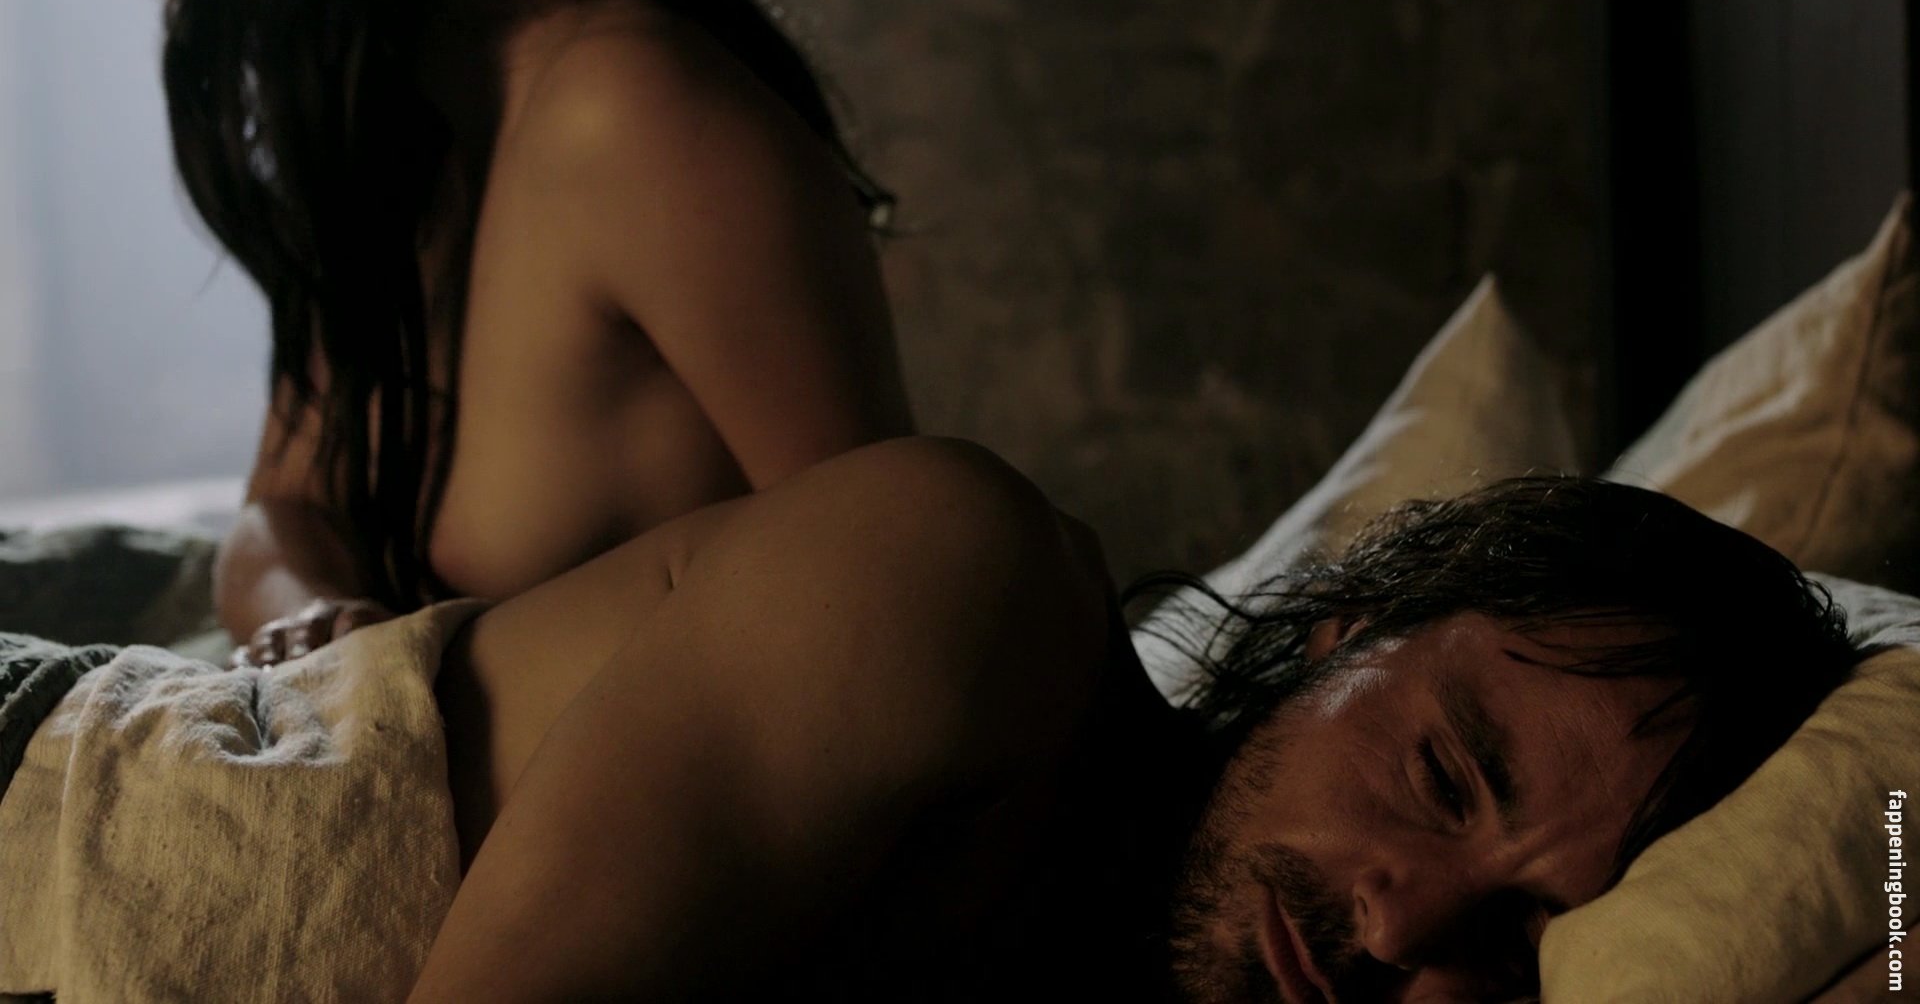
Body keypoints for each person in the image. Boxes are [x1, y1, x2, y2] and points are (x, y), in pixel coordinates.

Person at [392, 436, 1858, 1002]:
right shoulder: (954, 588)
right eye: (1441, 777)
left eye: (1518, 941)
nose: (1404, 928)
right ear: (1346, 631)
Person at [120, 0, 913, 663]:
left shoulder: (627, 106)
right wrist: (322, 627)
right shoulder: (398, 170)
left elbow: (899, 580)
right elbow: (280, 514)